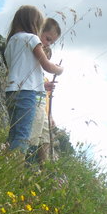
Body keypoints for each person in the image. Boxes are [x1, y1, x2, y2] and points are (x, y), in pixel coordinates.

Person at [4, 6, 63, 154]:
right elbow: (47, 66)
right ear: (34, 23)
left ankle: (5, 166)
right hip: (27, 93)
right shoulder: (32, 38)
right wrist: (59, 69)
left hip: (11, 92)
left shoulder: (11, 42)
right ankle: (14, 170)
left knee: (13, 134)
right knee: (23, 136)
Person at [28, 18, 62, 165]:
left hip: (43, 109)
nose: (48, 44)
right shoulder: (30, 64)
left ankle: (44, 168)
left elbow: (46, 99)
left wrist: (50, 116)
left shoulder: (44, 79)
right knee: (33, 136)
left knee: (46, 138)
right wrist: (58, 69)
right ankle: (22, 164)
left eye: (51, 43)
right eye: (47, 39)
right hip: (32, 103)